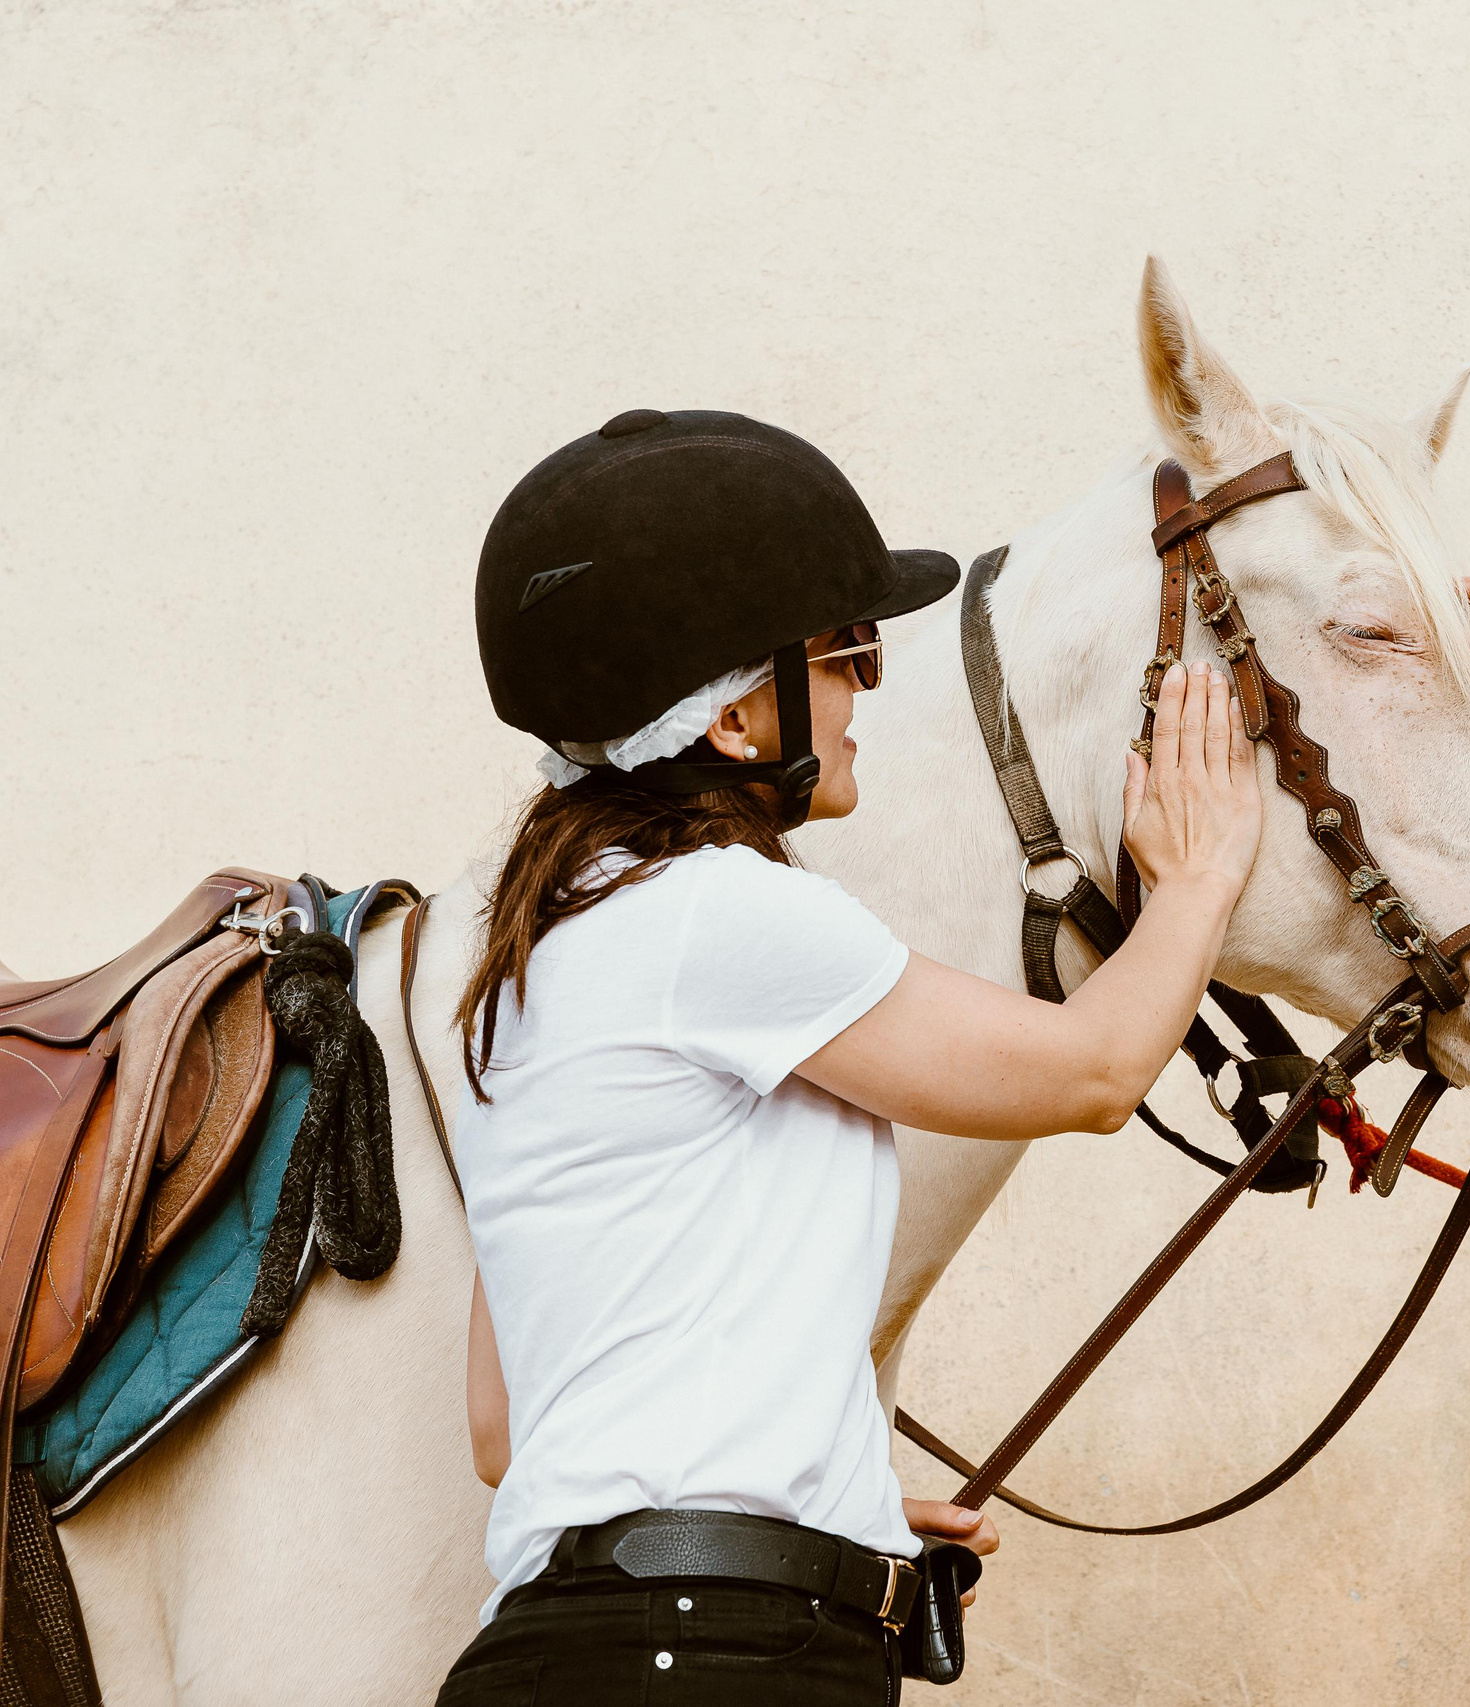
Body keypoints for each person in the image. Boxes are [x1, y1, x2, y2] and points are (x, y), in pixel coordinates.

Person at [437, 408, 1262, 1704]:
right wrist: (1199, 878)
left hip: (569, 1648)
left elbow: (508, 1425)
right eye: (845, 651)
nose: (870, 685)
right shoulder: (724, 912)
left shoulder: (534, 964)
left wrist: (824, 1509)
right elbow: (1094, 1072)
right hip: (710, 1661)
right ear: (730, 721)